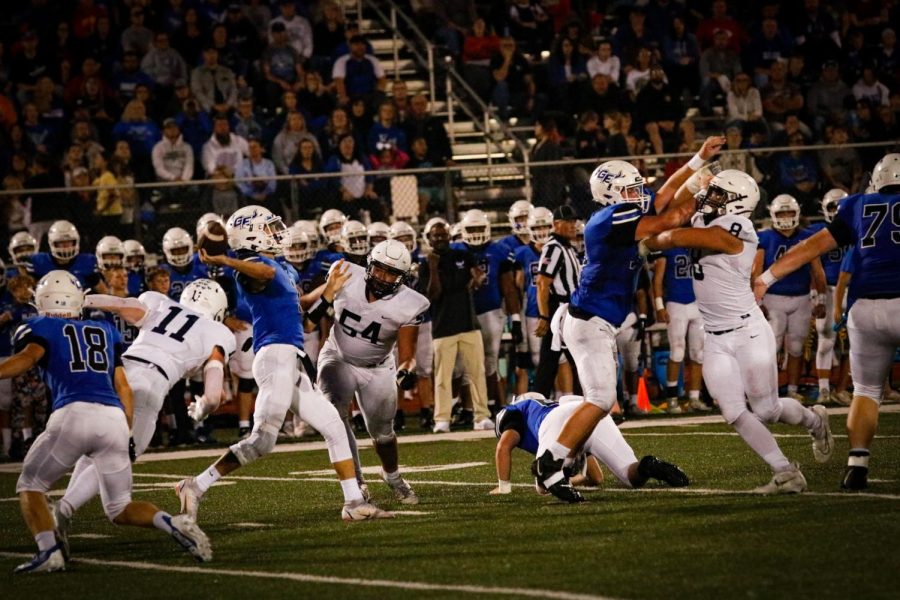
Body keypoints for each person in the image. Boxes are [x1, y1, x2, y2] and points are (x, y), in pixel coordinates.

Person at [532, 137, 725, 502]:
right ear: (610, 193)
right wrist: (702, 193)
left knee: (601, 399)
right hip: (589, 320)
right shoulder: (608, 219)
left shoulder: (622, 210)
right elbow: (670, 215)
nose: (640, 192)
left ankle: (555, 462)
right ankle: (551, 462)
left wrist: (699, 158)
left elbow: (664, 195)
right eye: (631, 188)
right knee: (601, 399)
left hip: (599, 320)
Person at [175, 205, 391, 521]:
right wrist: (223, 259)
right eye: (268, 228)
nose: (276, 233)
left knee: (334, 426)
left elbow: (302, 314)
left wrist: (329, 290)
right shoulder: (249, 266)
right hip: (274, 355)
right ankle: (194, 485)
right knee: (263, 440)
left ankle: (354, 503)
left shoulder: (283, 268)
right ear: (251, 235)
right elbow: (263, 275)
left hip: (290, 357)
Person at [1, 271, 210, 573]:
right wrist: (125, 431)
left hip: (73, 412)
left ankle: (49, 552)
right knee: (119, 507)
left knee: (31, 484)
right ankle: (173, 522)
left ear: (43, 300)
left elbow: (28, 358)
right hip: (113, 417)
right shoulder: (102, 329)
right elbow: (123, 387)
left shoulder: (40, 325)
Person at [641, 170, 834, 493]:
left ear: (739, 203)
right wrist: (697, 176)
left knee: (767, 410)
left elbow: (700, 238)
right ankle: (786, 472)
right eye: (713, 192)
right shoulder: (706, 217)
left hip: (748, 331)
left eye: (719, 194)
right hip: (715, 335)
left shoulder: (740, 228)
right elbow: (671, 211)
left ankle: (816, 421)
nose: (711, 198)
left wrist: (651, 242)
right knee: (732, 412)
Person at [754, 154, 900, 490]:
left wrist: (766, 278)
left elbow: (811, 248)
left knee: (865, 391)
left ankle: (856, 465)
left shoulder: (859, 205)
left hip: (865, 306)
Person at [53, 279, 235, 546]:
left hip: (116, 374)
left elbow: (120, 304)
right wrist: (203, 409)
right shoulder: (219, 332)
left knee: (96, 446)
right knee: (117, 454)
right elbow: (213, 393)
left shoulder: (160, 301)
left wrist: (78, 300)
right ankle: (63, 510)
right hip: (148, 385)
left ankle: (62, 516)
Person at [316, 239, 429, 503]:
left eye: (392, 273)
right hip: (337, 357)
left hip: (378, 368)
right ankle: (356, 483)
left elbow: (408, 355)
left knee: (383, 434)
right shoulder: (345, 273)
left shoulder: (411, 303)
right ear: (369, 264)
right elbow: (316, 305)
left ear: (402, 278)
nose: (383, 277)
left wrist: (406, 370)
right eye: (379, 269)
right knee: (335, 419)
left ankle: (392, 476)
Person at [491, 393, 689, 495]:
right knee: (632, 475)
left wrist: (504, 487)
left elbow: (503, 447)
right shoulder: (546, 410)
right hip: (590, 413)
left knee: (543, 486)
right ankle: (648, 465)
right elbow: (595, 477)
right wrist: (574, 479)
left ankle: (560, 476)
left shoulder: (516, 410)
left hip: (557, 421)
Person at [418, 218, 491, 433]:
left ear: (449, 236)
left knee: (477, 372)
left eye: (443, 234)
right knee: (442, 376)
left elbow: (478, 274)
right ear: (429, 239)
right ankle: (442, 418)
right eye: (436, 235)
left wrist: (477, 278)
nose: (440, 238)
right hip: (443, 326)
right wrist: (432, 268)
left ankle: (481, 415)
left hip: (468, 322)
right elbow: (432, 295)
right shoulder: (426, 265)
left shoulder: (462, 255)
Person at [752, 194, 826, 402]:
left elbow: (817, 271)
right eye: (781, 212)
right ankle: (768, 391)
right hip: (773, 298)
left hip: (801, 298)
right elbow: (755, 272)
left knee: (796, 346)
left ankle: (792, 388)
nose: (785, 217)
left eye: (789, 212)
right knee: (770, 347)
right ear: (772, 214)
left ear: (797, 213)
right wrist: (757, 302)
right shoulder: (765, 237)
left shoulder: (807, 237)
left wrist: (820, 299)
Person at [453, 209, 521, 414]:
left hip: (490, 310)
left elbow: (508, 287)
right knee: (461, 362)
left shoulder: (499, 250)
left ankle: (492, 402)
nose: (475, 233)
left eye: (479, 228)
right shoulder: (453, 249)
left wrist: (515, 317)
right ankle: (465, 406)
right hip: (462, 312)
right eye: (471, 228)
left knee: (490, 359)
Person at [804, 189, 850, 403]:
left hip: (855, 288)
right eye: (833, 206)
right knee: (825, 338)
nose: (838, 210)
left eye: (841, 205)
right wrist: (819, 297)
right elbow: (814, 265)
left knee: (856, 341)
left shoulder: (857, 225)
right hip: (829, 289)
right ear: (824, 208)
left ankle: (843, 388)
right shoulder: (817, 230)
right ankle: (824, 389)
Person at [532, 205, 581, 398]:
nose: (572, 225)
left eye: (573, 221)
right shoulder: (554, 247)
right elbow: (543, 283)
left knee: (551, 363)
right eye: (567, 222)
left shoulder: (567, 248)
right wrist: (544, 315)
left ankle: (536, 404)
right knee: (557, 362)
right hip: (560, 312)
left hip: (568, 310)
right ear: (555, 224)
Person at [652, 245, 707, 414]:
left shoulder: (700, 247)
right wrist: (659, 306)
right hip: (676, 303)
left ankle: (694, 398)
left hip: (698, 303)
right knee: (677, 351)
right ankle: (672, 399)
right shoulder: (669, 247)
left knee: (698, 353)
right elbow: (658, 279)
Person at [29, 221, 99, 290]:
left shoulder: (87, 262)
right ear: (51, 243)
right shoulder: (39, 262)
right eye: (61, 242)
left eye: (69, 242)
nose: (66, 246)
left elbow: (103, 291)